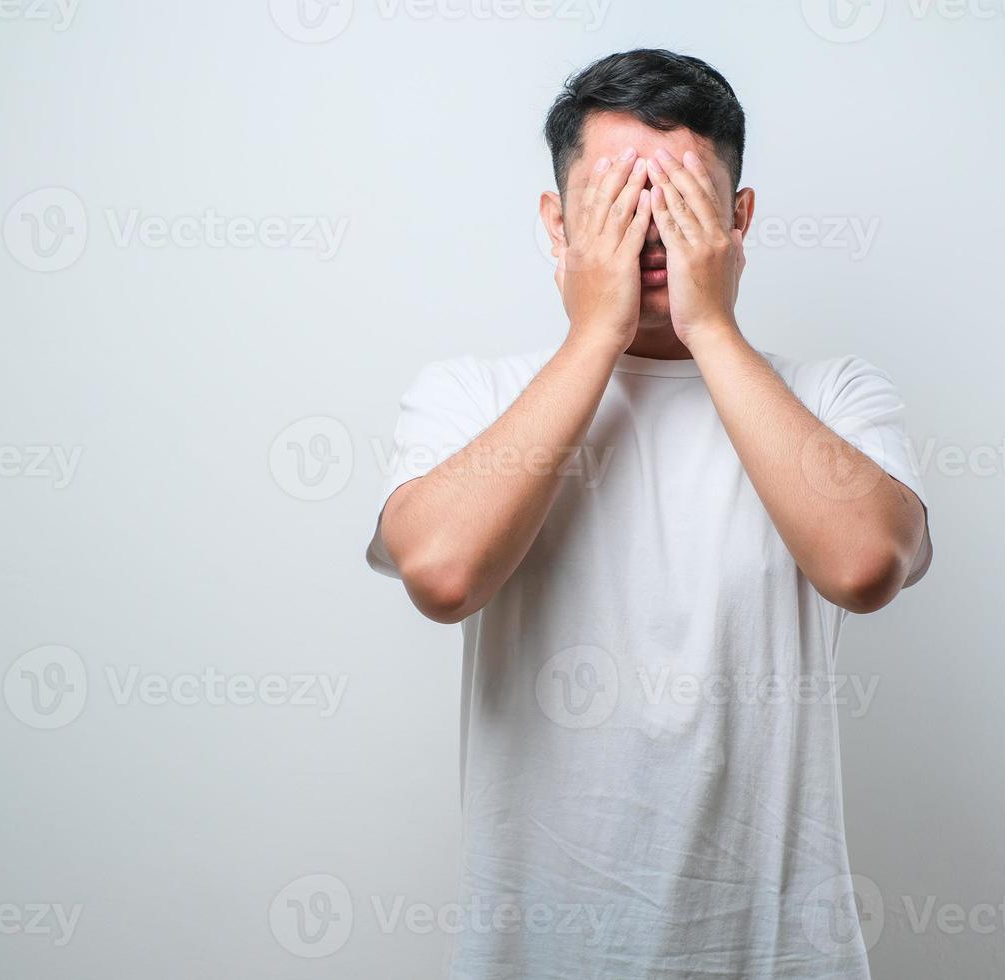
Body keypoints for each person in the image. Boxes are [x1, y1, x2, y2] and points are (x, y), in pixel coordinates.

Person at [365, 47, 932, 980]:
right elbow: (443, 573)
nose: (651, 232)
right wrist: (599, 330)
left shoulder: (832, 396)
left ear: (739, 217)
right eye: (618, 201)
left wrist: (711, 325)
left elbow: (866, 563)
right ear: (557, 222)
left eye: (682, 200)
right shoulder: (471, 396)